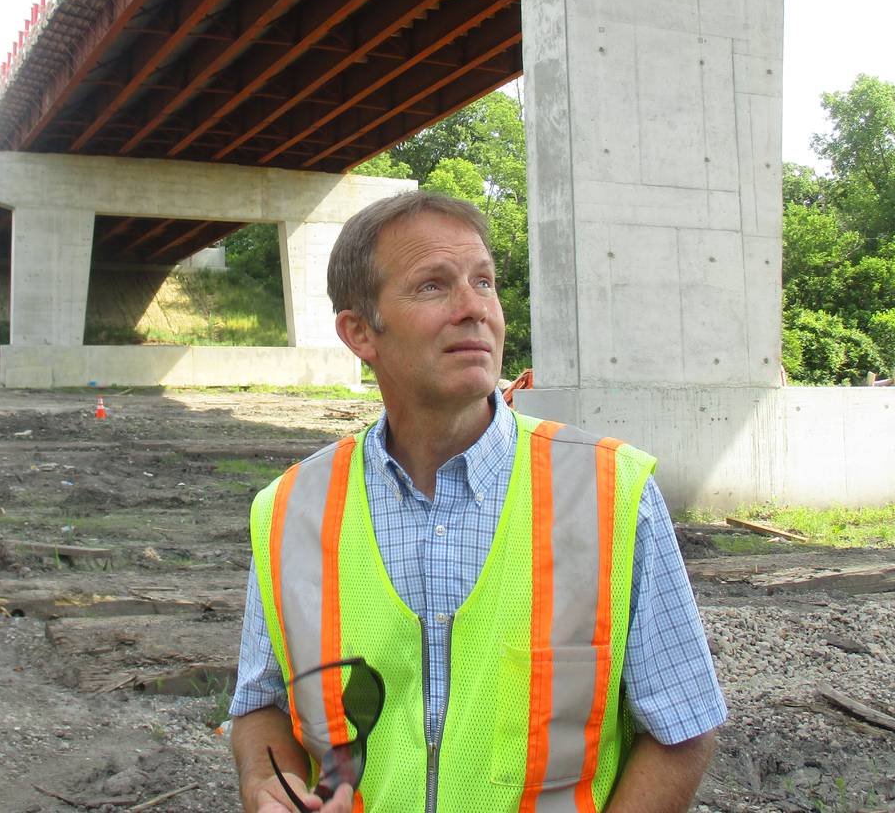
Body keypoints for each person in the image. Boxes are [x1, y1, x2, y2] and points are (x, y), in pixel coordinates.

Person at [229, 192, 726, 812]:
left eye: (483, 282)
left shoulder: (612, 491)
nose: (475, 309)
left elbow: (681, 727)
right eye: (433, 286)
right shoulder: (289, 510)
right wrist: (265, 782)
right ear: (360, 332)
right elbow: (261, 705)